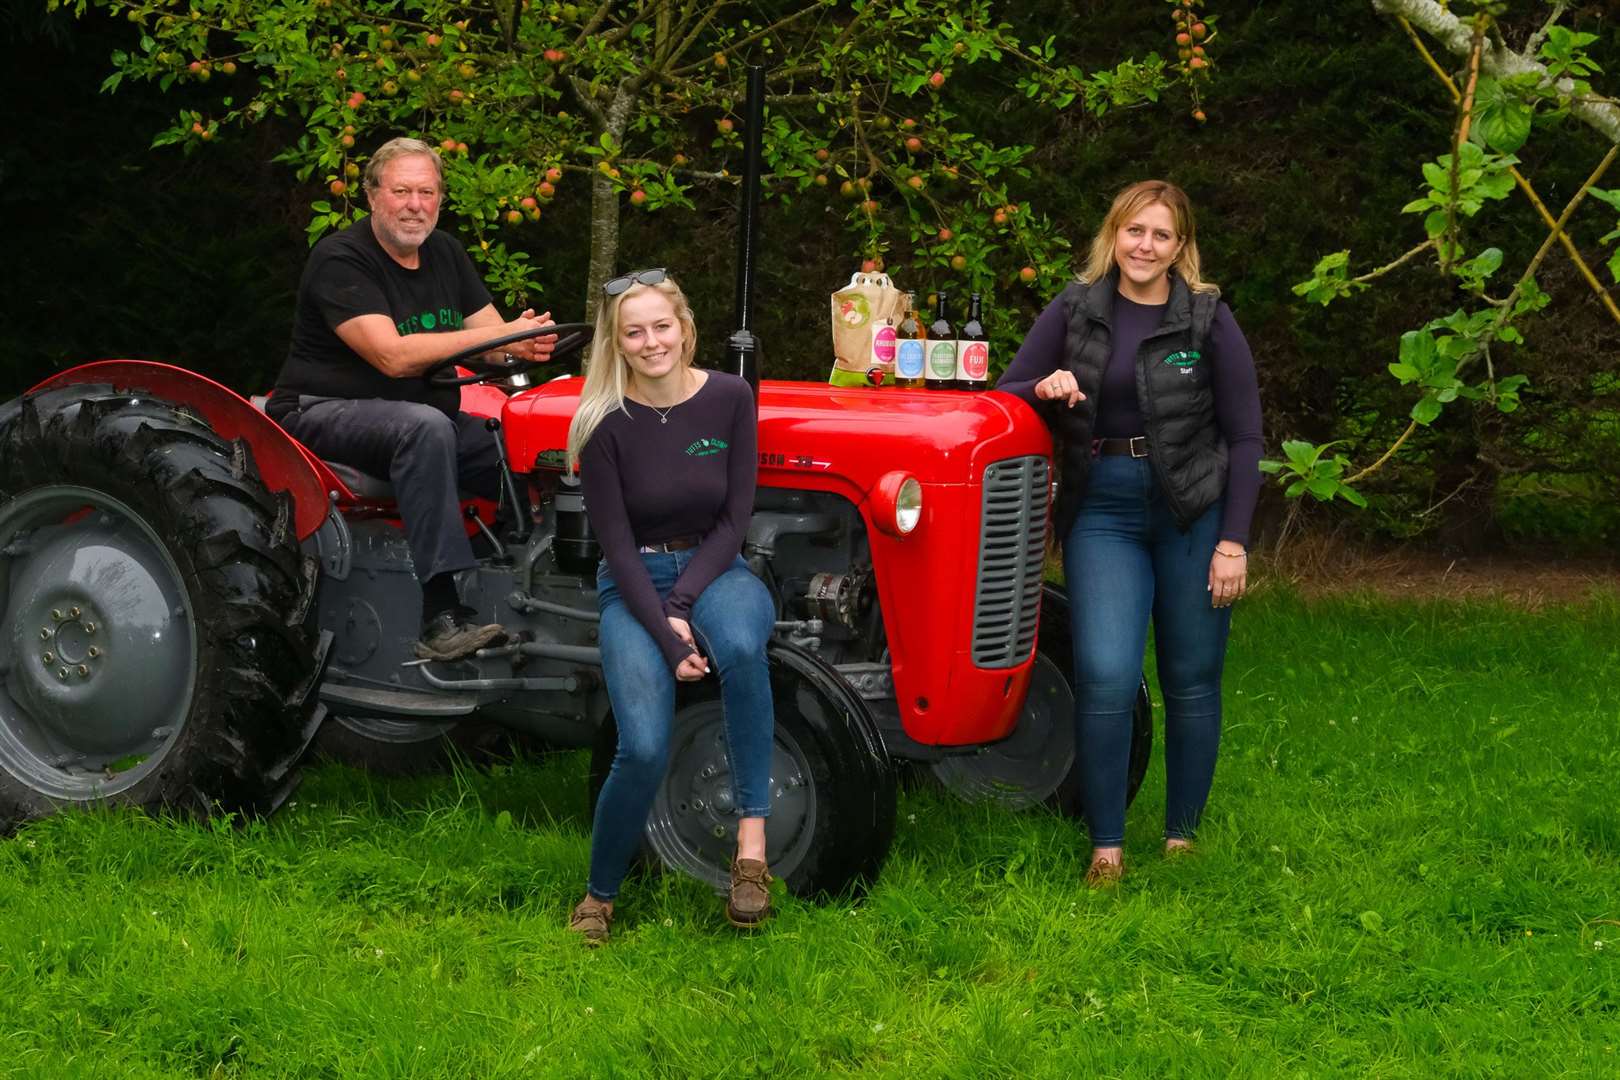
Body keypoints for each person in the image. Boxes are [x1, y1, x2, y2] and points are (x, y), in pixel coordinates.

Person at [995, 180, 1263, 886]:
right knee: (1107, 675)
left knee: (1191, 678)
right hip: (1103, 510)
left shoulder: (1207, 319)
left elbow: (1244, 435)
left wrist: (1232, 540)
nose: (1145, 246)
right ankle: (1106, 846)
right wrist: (1045, 389)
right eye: (1133, 231)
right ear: (1113, 235)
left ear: (1181, 247)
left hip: (1191, 513)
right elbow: (1003, 393)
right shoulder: (1075, 309)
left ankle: (1182, 838)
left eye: (1161, 235)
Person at [267, 137, 558, 661]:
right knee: (424, 427)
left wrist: (523, 340)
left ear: (440, 199)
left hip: (423, 417)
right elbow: (392, 357)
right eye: (401, 190)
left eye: (426, 192)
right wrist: (493, 341)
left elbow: (493, 340)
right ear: (372, 195)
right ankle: (440, 616)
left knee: (530, 445)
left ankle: (537, 577)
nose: (415, 205)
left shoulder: (444, 252)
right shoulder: (341, 258)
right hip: (318, 411)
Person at [564, 269, 776, 943]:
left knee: (741, 647)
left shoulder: (729, 397)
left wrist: (685, 604)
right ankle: (599, 896)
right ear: (618, 344)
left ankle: (751, 849)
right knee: (644, 745)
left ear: (684, 327)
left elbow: (736, 515)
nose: (652, 341)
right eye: (635, 332)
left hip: (717, 568)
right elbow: (619, 550)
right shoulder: (602, 424)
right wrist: (666, 634)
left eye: (662, 326)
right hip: (634, 584)